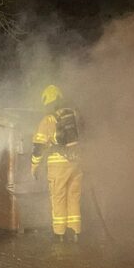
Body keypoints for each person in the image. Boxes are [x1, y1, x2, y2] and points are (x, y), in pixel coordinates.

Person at [31, 84, 83, 243]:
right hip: (77, 162)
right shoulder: (74, 115)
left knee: (58, 197)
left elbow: (38, 147)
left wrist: (34, 166)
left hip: (58, 165)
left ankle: (59, 234)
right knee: (74, 197)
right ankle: (75, 231)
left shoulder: (48, 120)